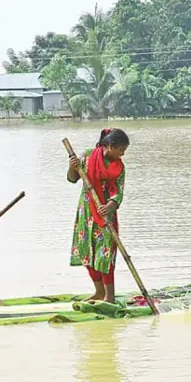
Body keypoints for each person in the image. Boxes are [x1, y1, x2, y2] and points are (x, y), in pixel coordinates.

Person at [67, 128, 129, 303]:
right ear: (109, 146)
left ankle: (110, 297)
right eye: (120, 150)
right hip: (86, 212)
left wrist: (108, 207)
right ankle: (99, 291)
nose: (122, 155)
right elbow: (72, 179)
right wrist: (72, 168)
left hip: (106, 216)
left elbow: (118, 194)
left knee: (105, 254)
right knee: (86, 252)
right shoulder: (87, 156)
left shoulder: (119, 167)